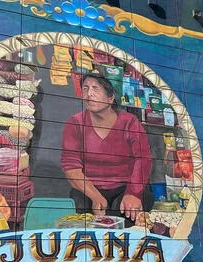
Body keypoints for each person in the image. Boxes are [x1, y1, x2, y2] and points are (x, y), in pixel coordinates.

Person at [61, 73, 152, 224]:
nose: (89, 93)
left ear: (110, 98)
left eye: (95, 89)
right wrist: (95, 197)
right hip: (89, 188)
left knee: (126, 217)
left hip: (125, 187)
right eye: (85, 88)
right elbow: (71, 167)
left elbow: (143, 159)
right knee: (81, 219)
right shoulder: (75, 123)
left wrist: (133, 193)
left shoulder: (129, 122)